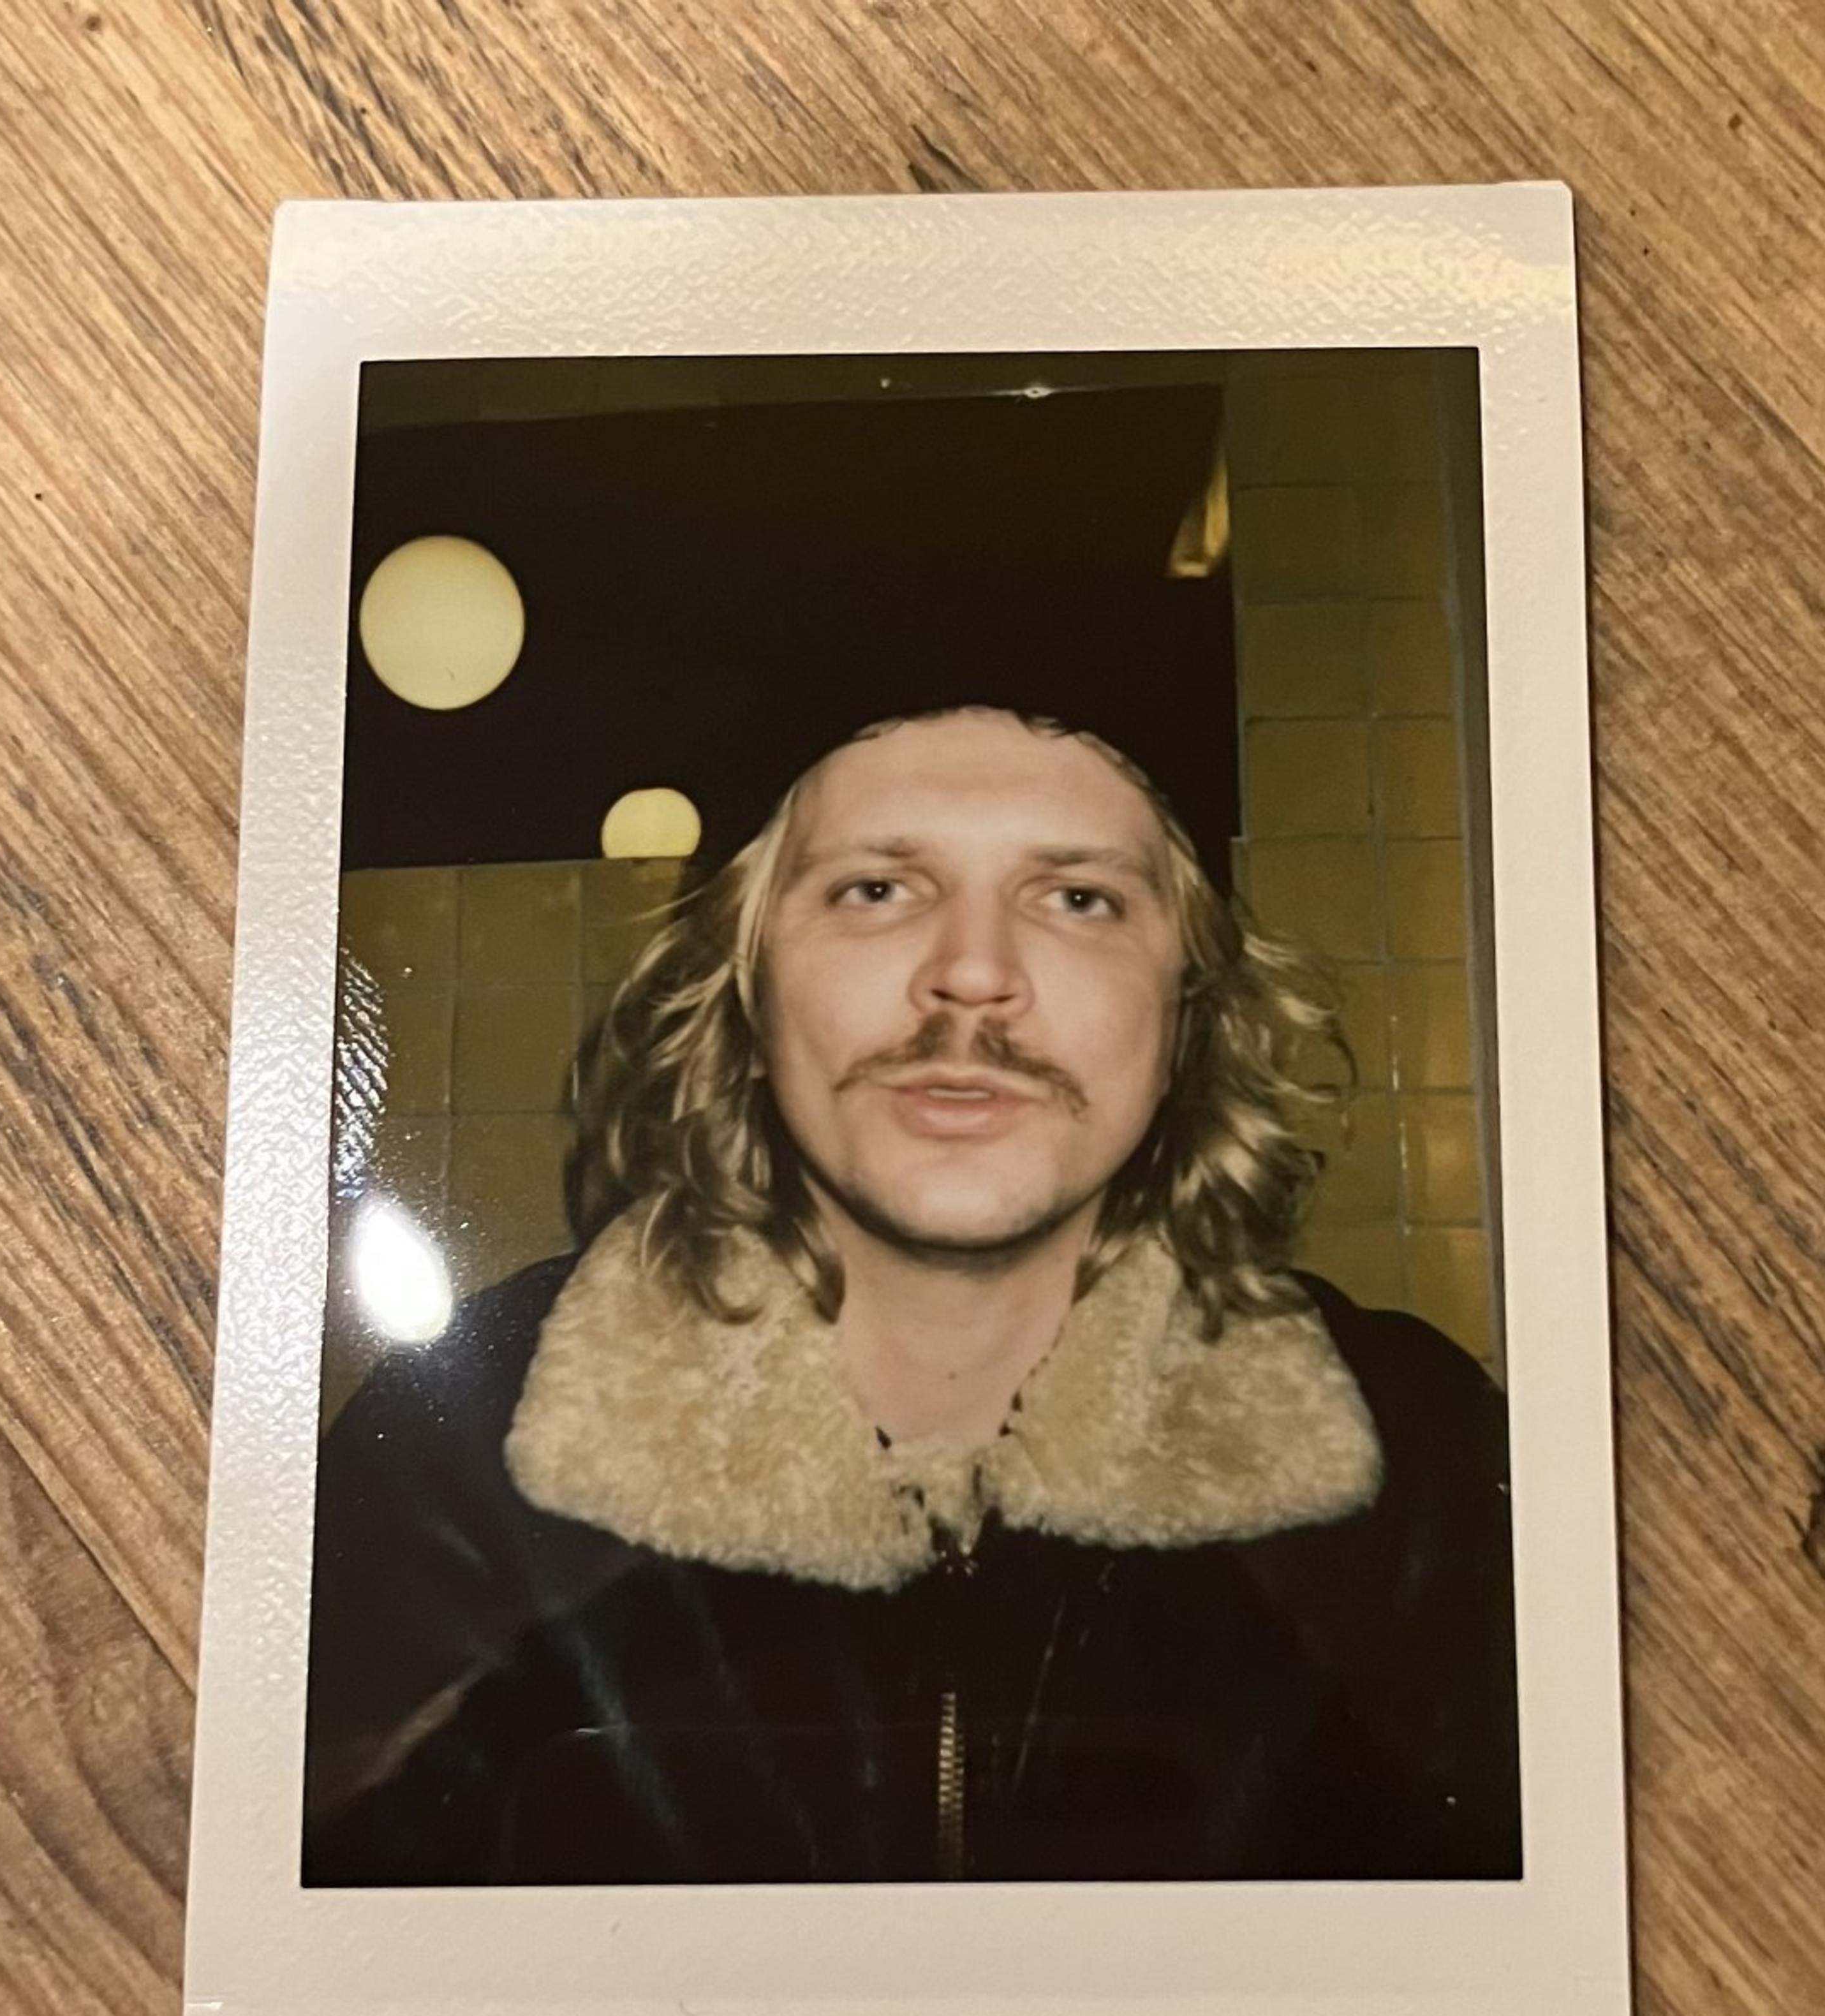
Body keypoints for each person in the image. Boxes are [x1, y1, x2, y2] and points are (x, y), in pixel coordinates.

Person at [302, 705, 1519, 1884]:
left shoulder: (1420, 1462)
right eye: (877, 890)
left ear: (1188, 1009)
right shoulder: (458, 1451)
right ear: (748, 984)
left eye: (1079, 898)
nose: (974, 975)